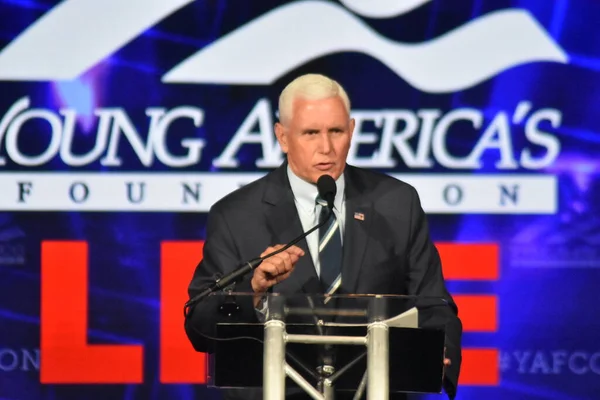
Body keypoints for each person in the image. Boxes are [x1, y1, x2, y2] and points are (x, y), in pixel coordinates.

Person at [185, 73, 462, 399]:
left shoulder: (397, 204)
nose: (326, 148)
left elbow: (433, 304)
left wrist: (438, 353)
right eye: (311, 133)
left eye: (336, 131)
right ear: (283, 137)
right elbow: (200, 325)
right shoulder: (236, 215)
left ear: (352, 130)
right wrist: (253, 291)